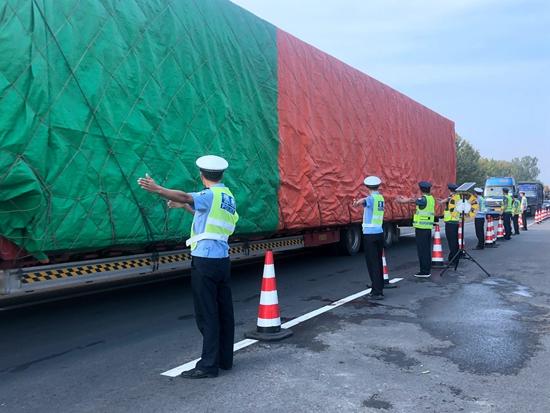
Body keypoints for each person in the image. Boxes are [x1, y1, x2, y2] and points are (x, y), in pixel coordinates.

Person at [138, 155, 239, 379]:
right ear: (221, 174)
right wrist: (184, 207)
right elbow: (204, 215)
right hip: (222, 259)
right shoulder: (227, 196)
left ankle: (208, 366)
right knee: (224, 312)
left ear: (202, 176)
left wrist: (157, 188)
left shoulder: (209, 194)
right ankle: (225, 359)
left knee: (207, 314)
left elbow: (185, 196)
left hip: (205, 261)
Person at [352, 176, 385, 300]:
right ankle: (378, 286)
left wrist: (357, 203)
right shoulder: (380, 198)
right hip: (379, 232)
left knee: (372, 263)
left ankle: (377, 291)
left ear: (367, 187)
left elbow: (363, 201)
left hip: (370, 235)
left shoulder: (370, 199)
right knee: (378, 261)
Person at [397, 181, 435, 278]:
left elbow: (414, 201)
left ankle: (424, 271)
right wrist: (407, 199)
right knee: (426, 250)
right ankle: (427, 269)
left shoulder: (423, 199)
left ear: (421, 190)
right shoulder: (431, 198)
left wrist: (403, 201)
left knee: (422, 251)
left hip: (421, 228)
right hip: (427, 228)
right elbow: (415, 200)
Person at [440, 184, 461, 264]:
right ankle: (454, 258)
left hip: (450, 222)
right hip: (455, 221)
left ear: (450, 190)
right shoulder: (458, 197)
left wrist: (440, 201)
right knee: (455, 241)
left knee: (451, 242)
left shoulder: (451, 197)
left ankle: (453, 260)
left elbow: (442, 202)